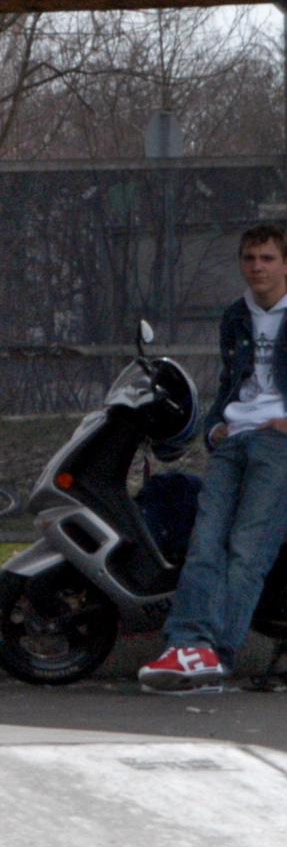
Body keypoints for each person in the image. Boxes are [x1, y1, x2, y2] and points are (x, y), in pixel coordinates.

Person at [139, 223, 287, 692]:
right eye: (249, 258)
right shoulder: (234, 316)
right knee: (205, 543)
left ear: (284, 264)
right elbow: (231, 380)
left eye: (267, 258)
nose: (257, 267)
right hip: (233, 437)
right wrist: (216, 425)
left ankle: (217, 654)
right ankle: (187, 644)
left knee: (248, 550)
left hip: (277, 442)